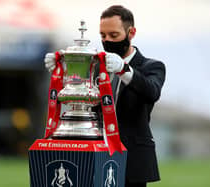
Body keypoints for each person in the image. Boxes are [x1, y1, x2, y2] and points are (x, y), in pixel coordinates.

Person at [45, 5, 166, 187]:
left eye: (114, 35)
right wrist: (62, 69)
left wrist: (124, 69)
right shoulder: (96, 66)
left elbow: (152, 91)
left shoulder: (152, 66)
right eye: (103, 36)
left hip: (132, 156)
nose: (107, 40)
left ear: (131, 33)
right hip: (97, 152)